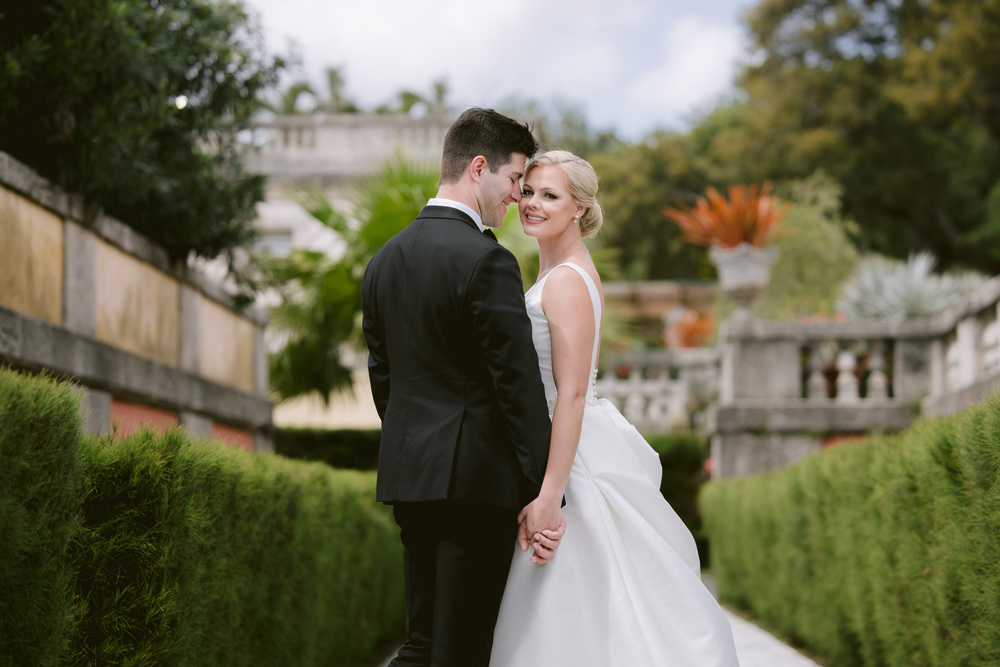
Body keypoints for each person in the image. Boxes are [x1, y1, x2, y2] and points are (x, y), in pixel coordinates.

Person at [490, 150, 740, 666]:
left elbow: (573, 392)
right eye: (529, 191)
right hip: (568, 443)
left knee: (576, 601)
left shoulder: (564, 281)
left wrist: (551, 497)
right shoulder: (562, 272)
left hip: (573, 458)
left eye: (550, 195)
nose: (532, 204)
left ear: (580, 207)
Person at [361, 108, 566, 667]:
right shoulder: (487, 261)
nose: (516, 199)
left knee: (422, 643)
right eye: (514, 181)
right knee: (463, 651)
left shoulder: (383, 262)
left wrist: (418, 444)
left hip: (411, 479)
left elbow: (385, 380)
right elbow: (516, 384)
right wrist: (543, 491)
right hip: (476, 488)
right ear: (479, 167)